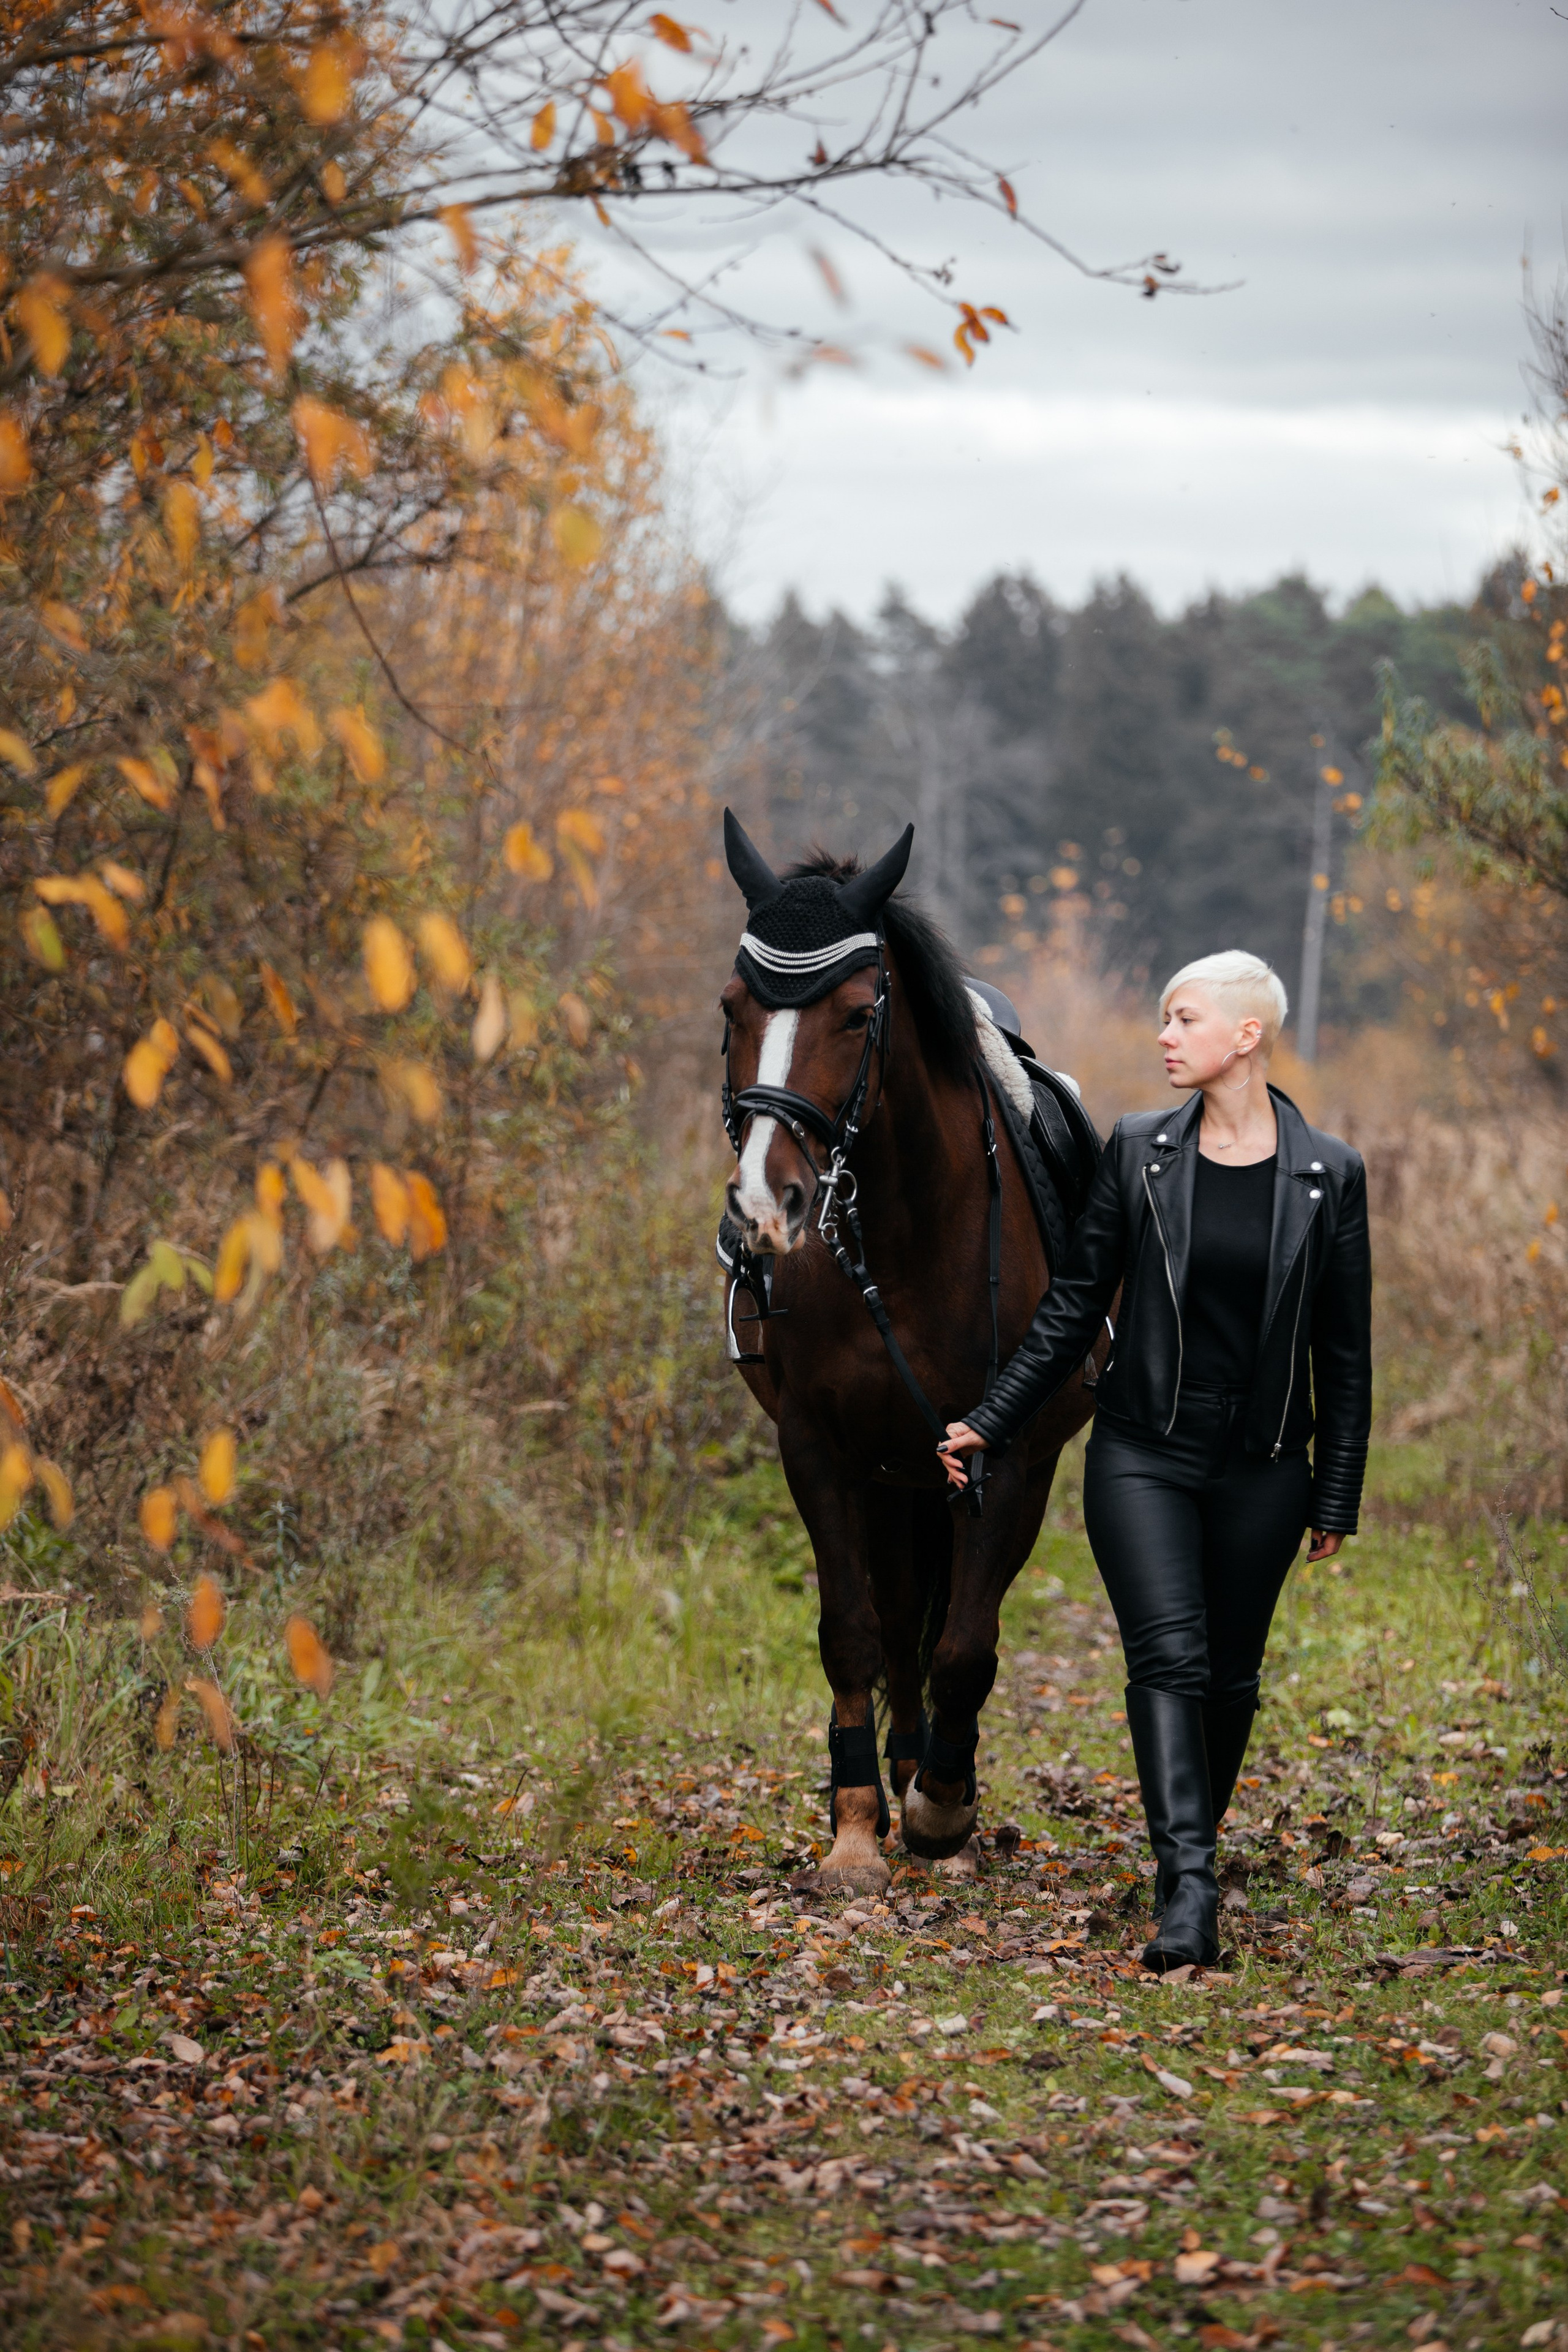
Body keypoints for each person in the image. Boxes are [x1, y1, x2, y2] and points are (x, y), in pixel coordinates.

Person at [937, 951, 1372, 1972]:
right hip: (1143, 1451)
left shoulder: (1330, 1174)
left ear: (1245, 1036)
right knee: (1169, 1660)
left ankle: (1192, 1844)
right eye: (1165, 1019)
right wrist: (990, 1420)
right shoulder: (1136, 1152)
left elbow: (1344, 1353)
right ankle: (1189, 1889)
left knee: (1230, 1678)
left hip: (1265, 1464)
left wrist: (1336, 1489)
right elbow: (1070, 1308)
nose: (1165, 1037)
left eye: (1183, 1019)